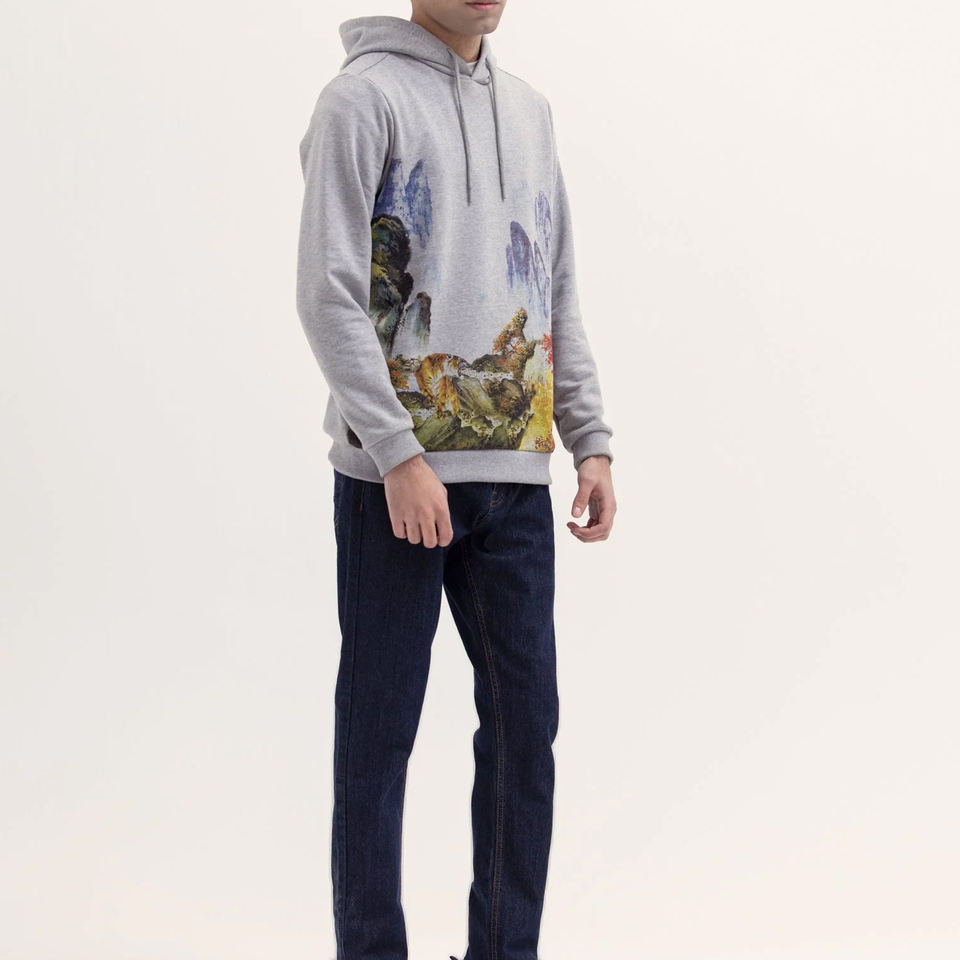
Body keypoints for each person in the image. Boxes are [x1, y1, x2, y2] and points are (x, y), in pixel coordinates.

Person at [295, 3, 617, 957]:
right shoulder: (360, 101)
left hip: (515, 480)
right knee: (378, 736)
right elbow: (327, 292)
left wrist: (589, 437)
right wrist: (398, 454)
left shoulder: (531, 111)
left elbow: (555, 287)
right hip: (394, 487)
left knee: (526, 734)